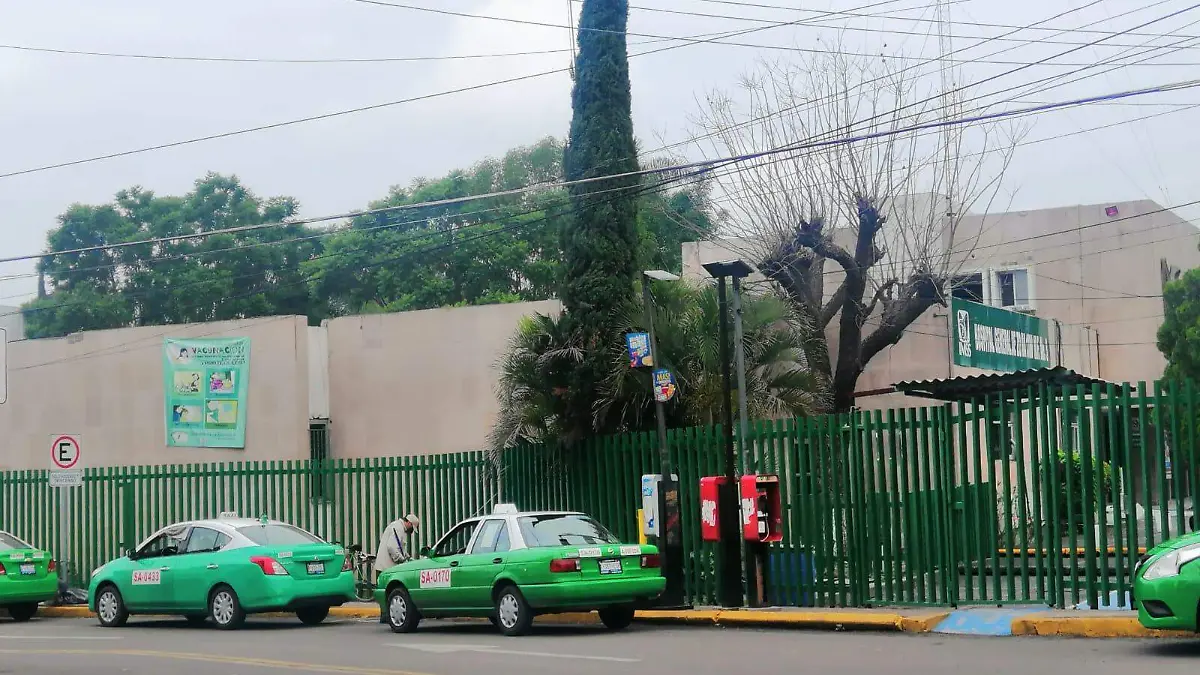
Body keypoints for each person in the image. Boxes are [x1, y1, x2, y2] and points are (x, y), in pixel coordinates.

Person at [375, 514, 420, 580]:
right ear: (409, 523)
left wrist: (408, 558)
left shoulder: (397, 526)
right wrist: (402, 560)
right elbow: (392, 547)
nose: (411, 531)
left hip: (384, 567)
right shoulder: (398, 528)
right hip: (386, 569)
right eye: (412, 528)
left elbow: (400, 548)